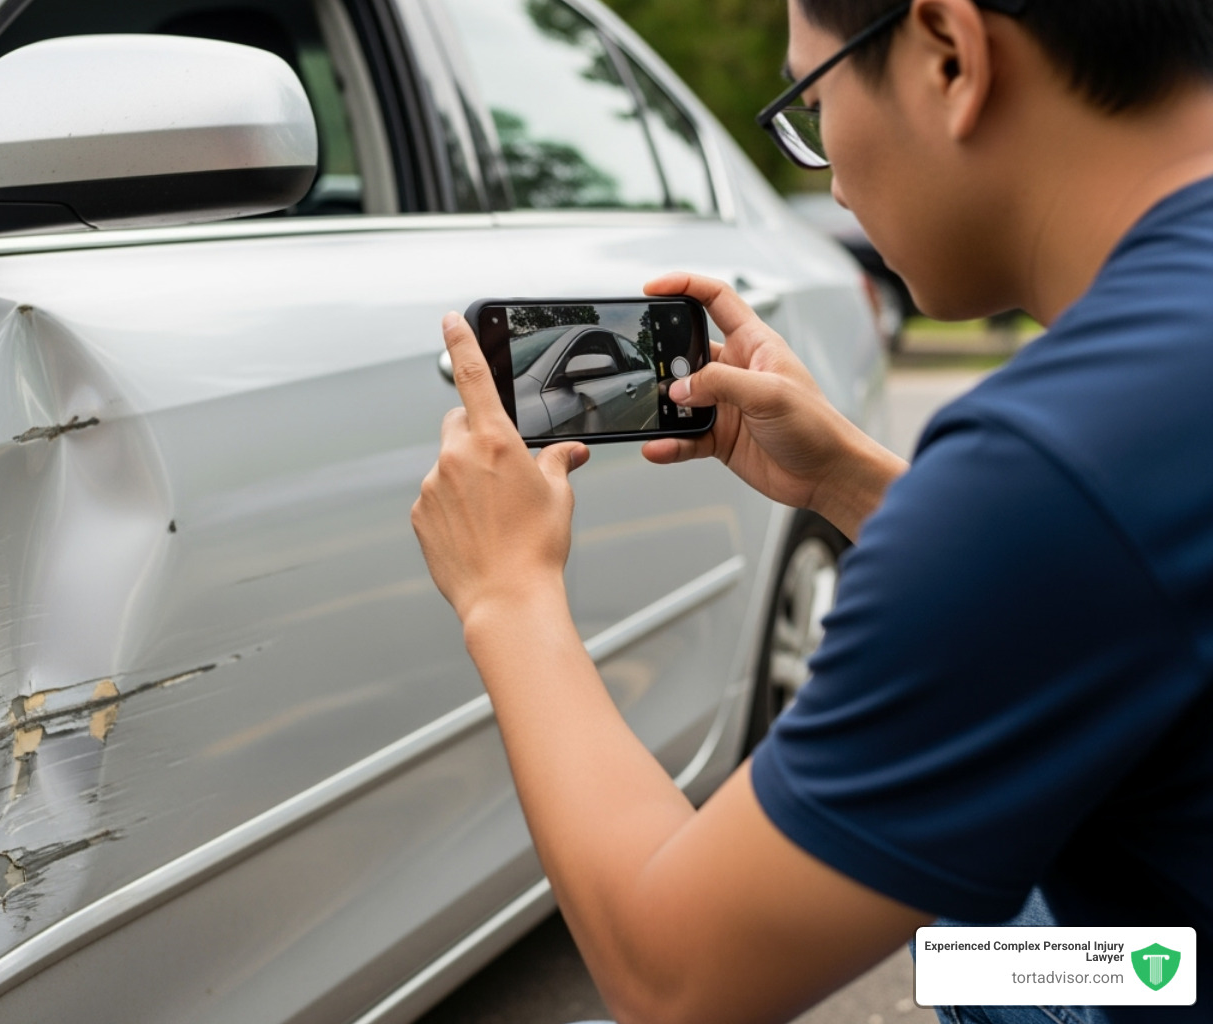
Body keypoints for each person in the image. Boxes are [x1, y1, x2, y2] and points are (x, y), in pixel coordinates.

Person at [410, 1, 1213, 1023]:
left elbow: (671, 976)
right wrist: (847, 479)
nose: (826, 170)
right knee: (961, 935)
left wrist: (505, 594)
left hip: (1175, 968)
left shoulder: (1062, 450)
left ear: (951, 56)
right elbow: (1116, 585)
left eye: (812, 99)